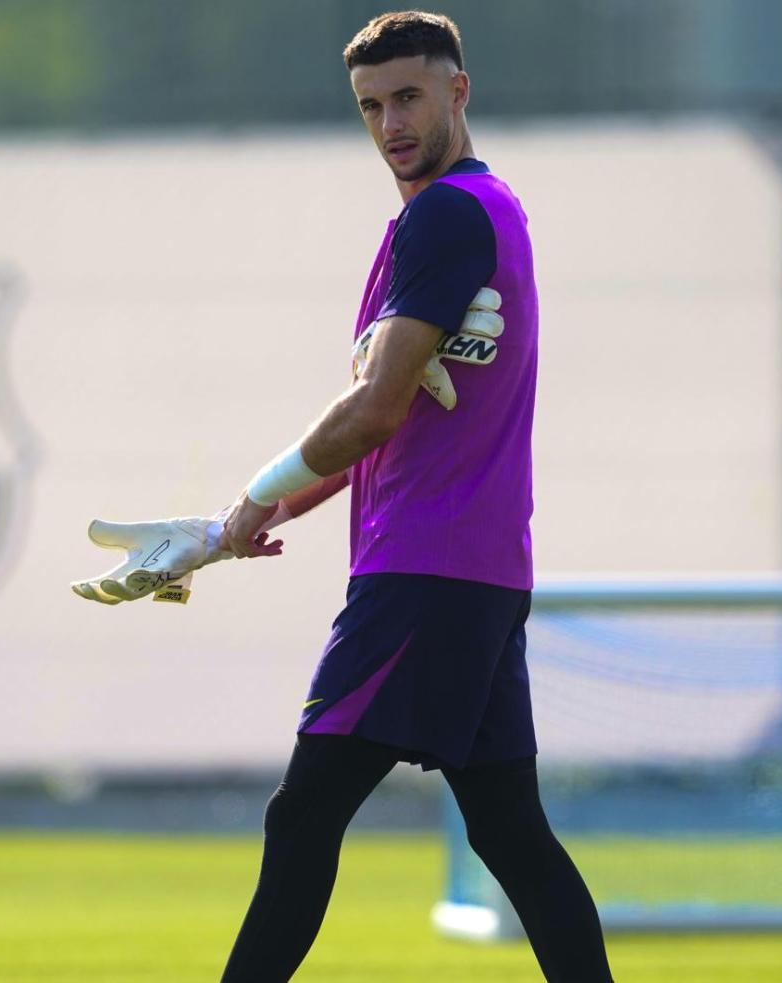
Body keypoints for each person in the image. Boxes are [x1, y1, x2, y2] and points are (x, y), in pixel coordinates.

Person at [210, 11, 614, 982]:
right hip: (476, 570)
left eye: (406, 97)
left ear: (456, 91)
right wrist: (274, 510)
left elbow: (376, 406)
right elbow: (388, 424)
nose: (388, 122)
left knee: (303, 811)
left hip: (423, 570)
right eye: (368, 106)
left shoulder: (442, 216)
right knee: (510, 832)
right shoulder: (486, 209)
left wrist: (245, 499)